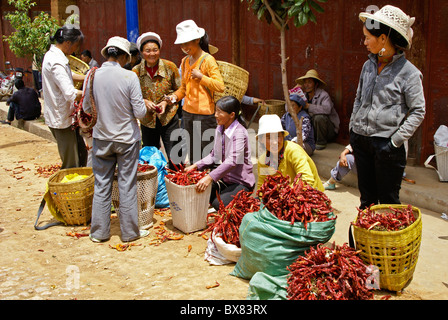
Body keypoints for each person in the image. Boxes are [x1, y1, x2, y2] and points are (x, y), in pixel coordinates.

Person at [350, 5, 425, 209]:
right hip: (362, 142)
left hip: (388, 148)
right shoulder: (368, 66)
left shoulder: (409, 73)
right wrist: (353, 131)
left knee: (389, 203)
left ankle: (391, 242)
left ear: (383, 38)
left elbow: (418, 111)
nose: (364, 42)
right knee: (367, 201)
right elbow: (359, 98)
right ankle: (366, 241)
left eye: (368, 37)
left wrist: (394, 142)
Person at [82, 36, 151, 243]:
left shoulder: (91, 76)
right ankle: (130, 233)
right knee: (126, 184)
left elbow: (86, 108)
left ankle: (99, 233)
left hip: (102, 138)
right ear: (123, 56)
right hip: (127, 140)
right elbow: (139, 113)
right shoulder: (129, 77)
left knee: (102, 184)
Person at [166, 20, 225, 165]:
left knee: (208, 151)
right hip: (187, 113)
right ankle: (195, 183)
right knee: (193, 152)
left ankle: (210, 184)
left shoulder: (208, 60)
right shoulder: (185, 61)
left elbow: (220, 86)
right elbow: (183, 88)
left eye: (187, 43)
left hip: (205, 115)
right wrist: (174, 97)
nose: (184, 47)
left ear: (197, 40)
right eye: (182, 44)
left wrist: (201, 77)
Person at [186, 96, 255, 210]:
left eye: (219, 112)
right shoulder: (220, 128)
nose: (215, 115)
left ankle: (243, 200)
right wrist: (195, 166)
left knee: (218, 204)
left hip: (241, 182)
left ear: (232, 115)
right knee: (198, 190)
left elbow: (232, 161)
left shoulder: (239, 133)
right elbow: (214, 155)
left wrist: (210, 177)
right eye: (216, 110)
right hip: (226, 179)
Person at [133, 32, 182, 169]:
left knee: (176, 157)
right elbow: (131, 96)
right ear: (142, 52)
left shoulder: (170, 67)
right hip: (147, 120)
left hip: (169, 117)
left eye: (155, 50)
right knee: (149, 159)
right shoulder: (135, 72)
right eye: (147, 51)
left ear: (159, 50)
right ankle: (154, 187)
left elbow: (180, 90)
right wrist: (144, 102)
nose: (152, 54)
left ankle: (176, 186)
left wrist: (166, 101)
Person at [41, 26, 87, 169]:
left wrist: (88, 77)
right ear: (68, 43)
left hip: (65, 117)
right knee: (71, 161)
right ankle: (70, 187)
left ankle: (78, 183)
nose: (75, 49)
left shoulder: (56, 56)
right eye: (76, 45)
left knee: (81, 153)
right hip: (61, 118)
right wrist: (91, 92)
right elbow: (70, 94)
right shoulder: (56, 61)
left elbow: (69, 75)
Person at [256, 114, 324, 192]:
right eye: (269, 137)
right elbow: (262, 186)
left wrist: (284, 193)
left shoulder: (293, 151)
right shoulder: (264, 160)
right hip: (285, 197)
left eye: (278, 136)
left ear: (283, 136)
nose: (274, 142)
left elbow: (306, 180)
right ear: (261, 139)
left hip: (309, 194)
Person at [295, 69, 339, 150]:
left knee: (319, 117)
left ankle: (321, 142)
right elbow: (290, 109)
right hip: (312, 130)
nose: (306, 85)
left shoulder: (323, 95)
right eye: (305, 82)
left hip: (328, 132)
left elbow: (327, 109)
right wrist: (294, 93)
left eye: (309, 82)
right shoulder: (304, 96)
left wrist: (309, 106)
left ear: (316, 84)